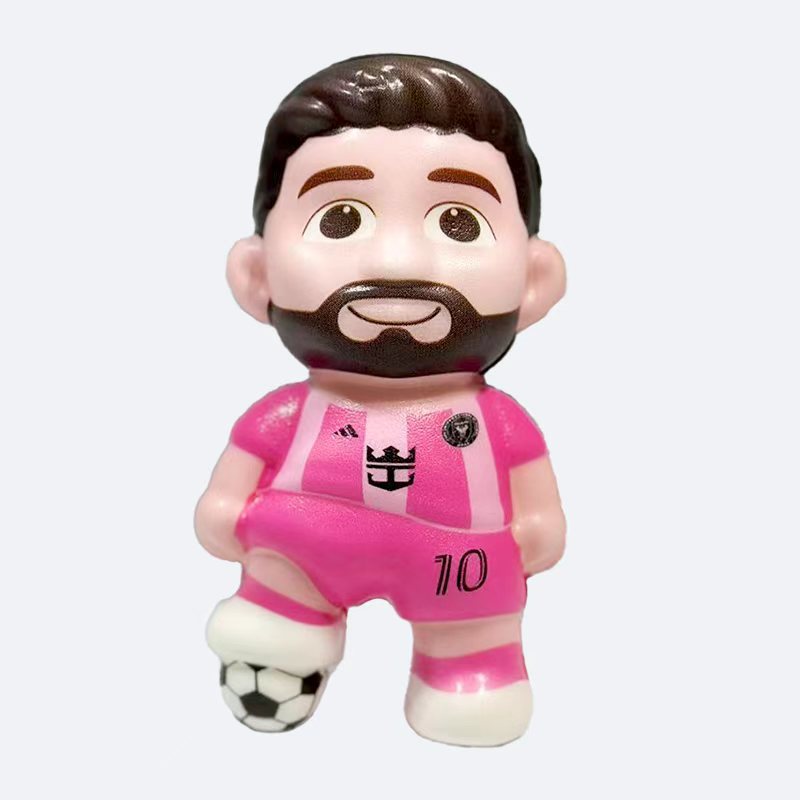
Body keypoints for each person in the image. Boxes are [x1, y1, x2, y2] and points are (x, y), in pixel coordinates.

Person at [196, 53, 567, 746]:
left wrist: (540, 525)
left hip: (460, 567)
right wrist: (225, 508)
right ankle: (276, 655)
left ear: (533, 280)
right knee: (276, 611)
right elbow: (237, 475)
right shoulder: (287, 415)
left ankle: (468, 674)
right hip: (300, 548)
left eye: (458, 223)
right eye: (340, 220)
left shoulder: (499, 423)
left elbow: (535, 500)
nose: (397, 260)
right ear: (256, 274)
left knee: (473, 636)